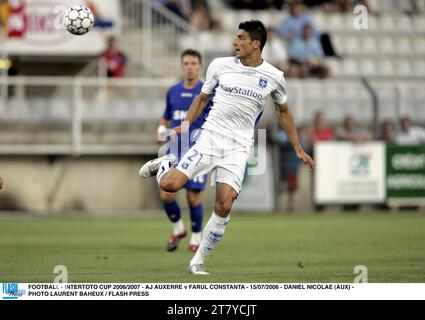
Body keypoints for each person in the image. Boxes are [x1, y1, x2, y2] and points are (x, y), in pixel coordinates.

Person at [139, 20, 315, 275]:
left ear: (256, 44)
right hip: (210, 139)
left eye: (241, 38)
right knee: (169, 185)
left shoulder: (274, 77)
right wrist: (186, 125)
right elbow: (202, 98)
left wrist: (298, 148)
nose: (235, 42)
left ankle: (197, 261)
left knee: (224, 205)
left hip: (238, 148)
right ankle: (165, 164)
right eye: (236, 37)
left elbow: (284, 113)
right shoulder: (220, 66)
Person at [157, 49, 210, 252]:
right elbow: (167, 116)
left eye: (193, 63)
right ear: (181, 66)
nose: (190, 67)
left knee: (192, 196)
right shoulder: (173, 90)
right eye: (186, 63)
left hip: (197, 148)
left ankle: (196, 237)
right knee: (166, 195)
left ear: (200, 66)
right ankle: (178, 229)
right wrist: (161, 131)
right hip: (174, 148)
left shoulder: (206, 91)